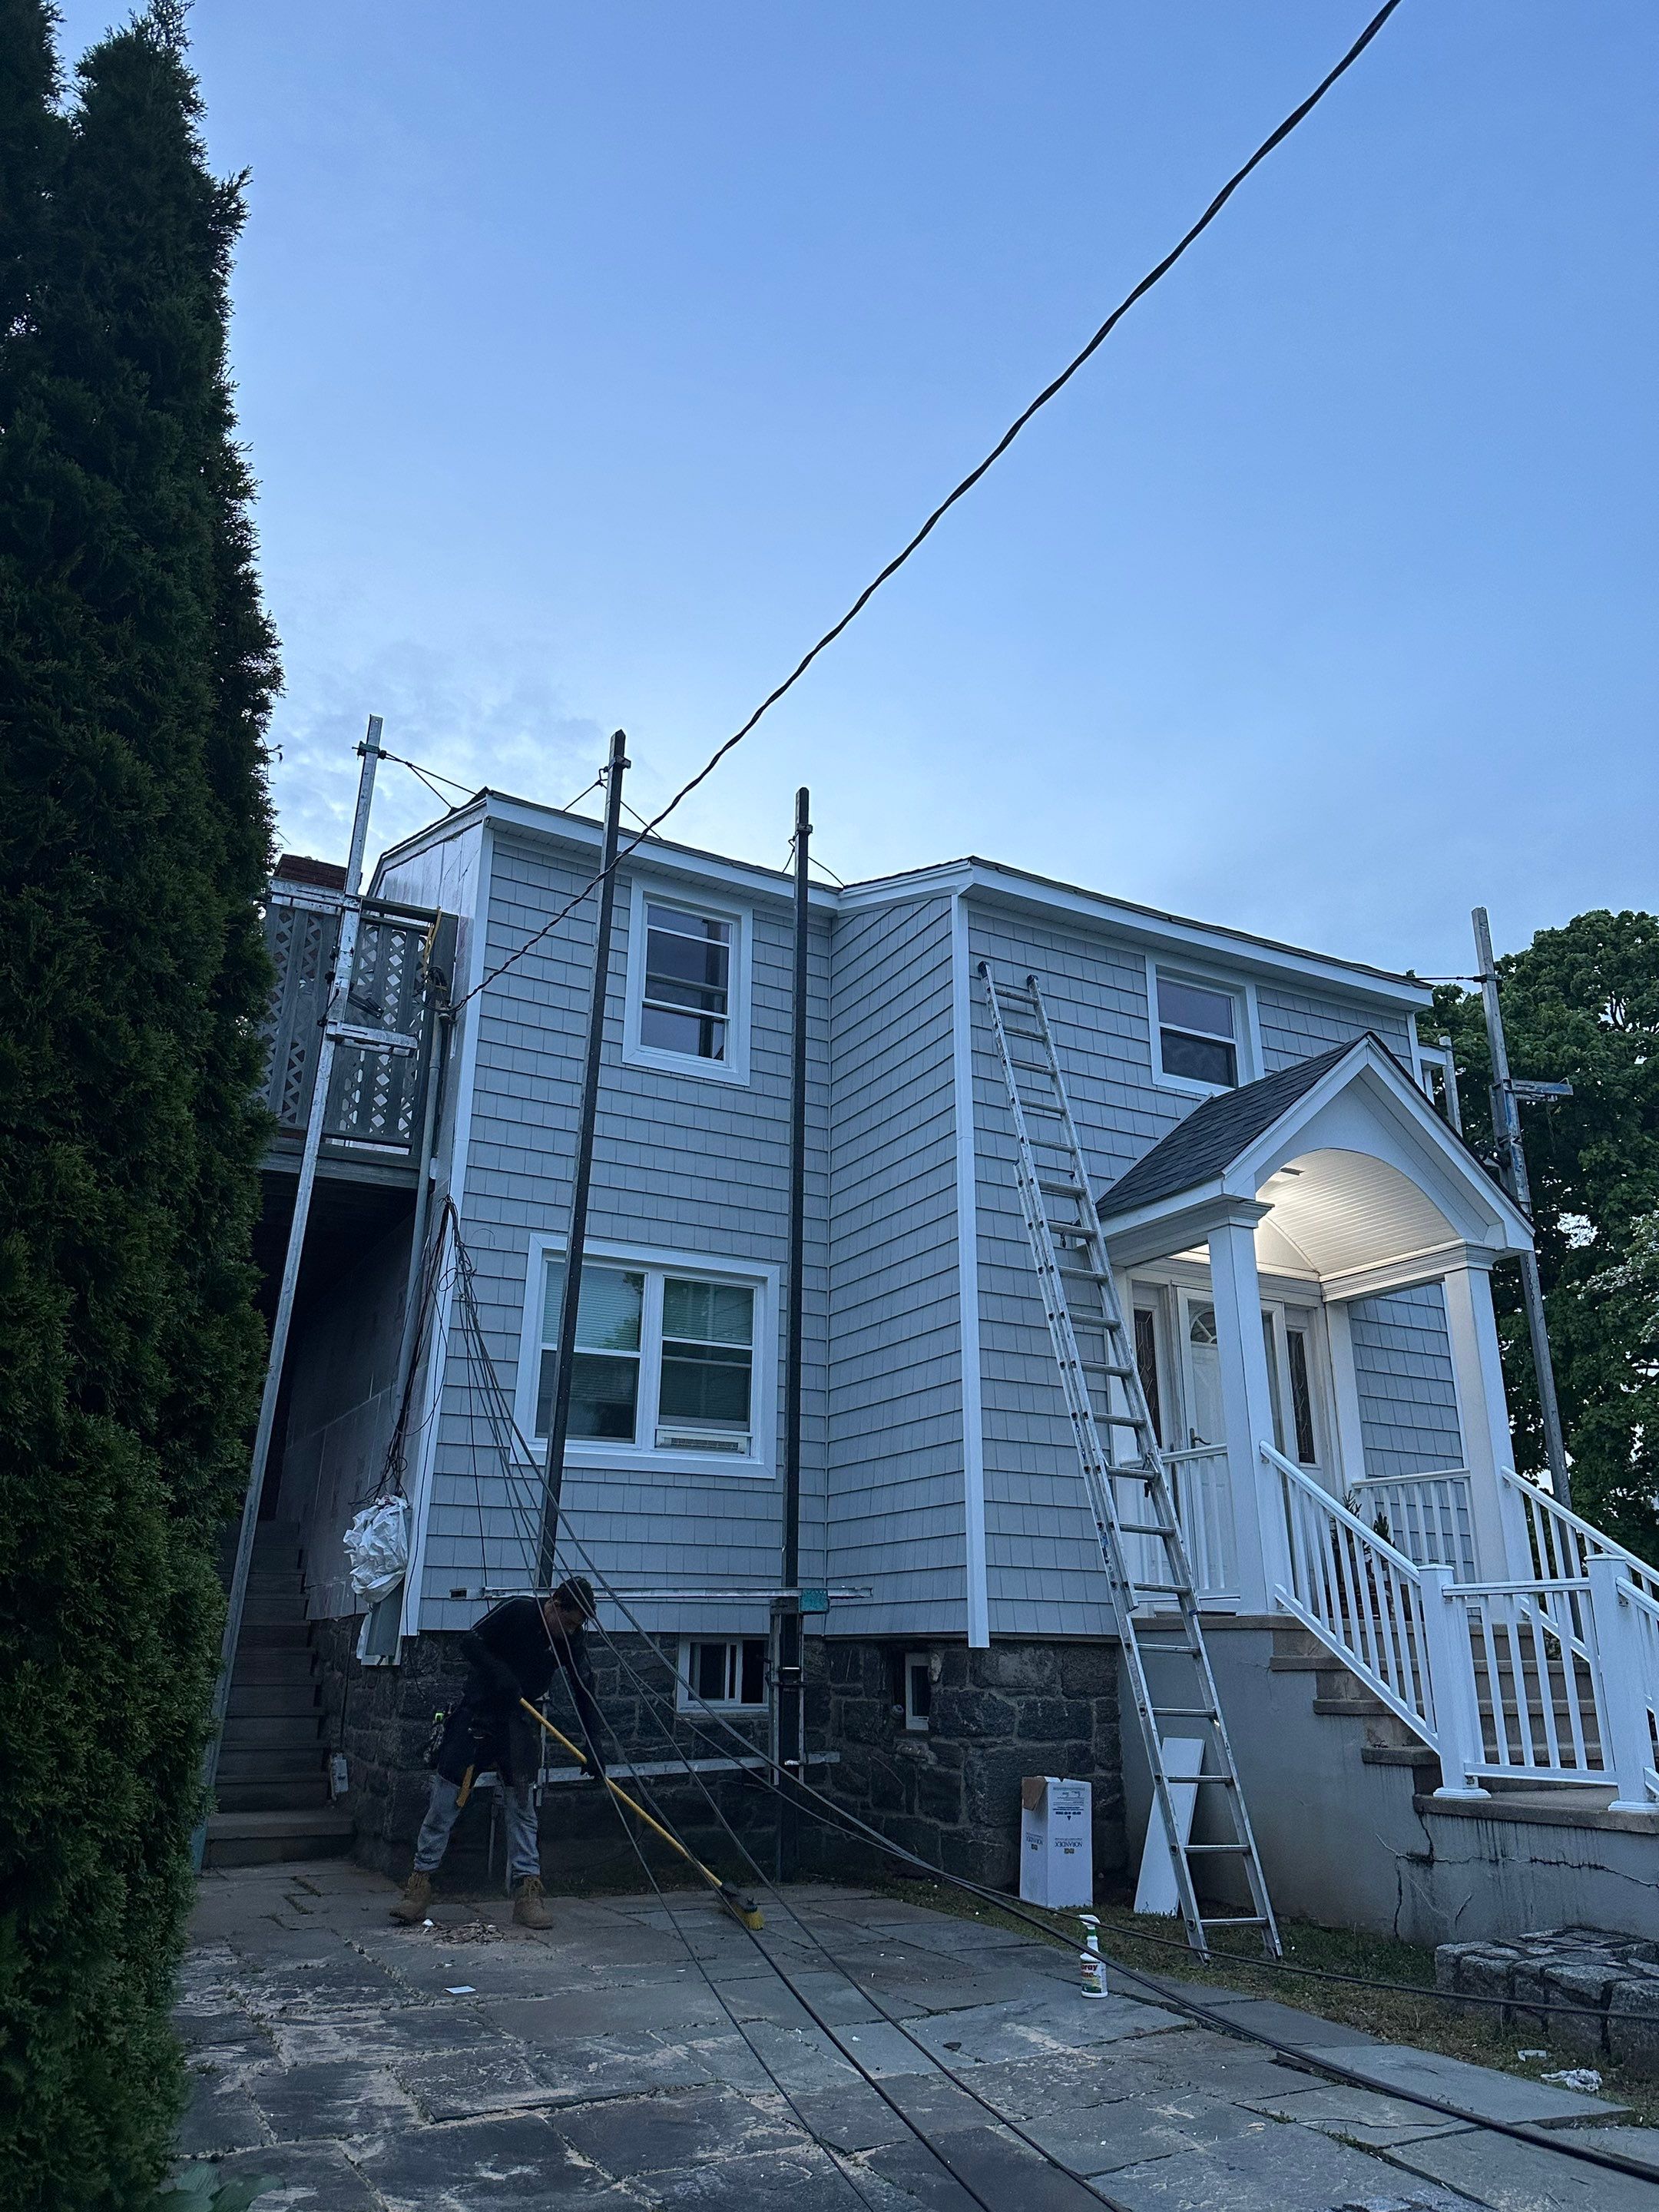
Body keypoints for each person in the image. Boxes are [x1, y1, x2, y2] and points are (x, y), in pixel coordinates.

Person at [391, 1576, 605, 1929]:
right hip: (478, 1714)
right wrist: (499, 1672)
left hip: (516, 1722)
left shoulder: (572, 1639)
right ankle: (419, 1886)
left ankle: (527, 1893)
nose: (570, 1631)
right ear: (555, 1603)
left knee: (522, 1807)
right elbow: (470, 1642)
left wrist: (594, 1742)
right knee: (445, 1800)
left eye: (576, 1626)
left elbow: (584, 1688)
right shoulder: (519, 1612)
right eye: (567, 1623)